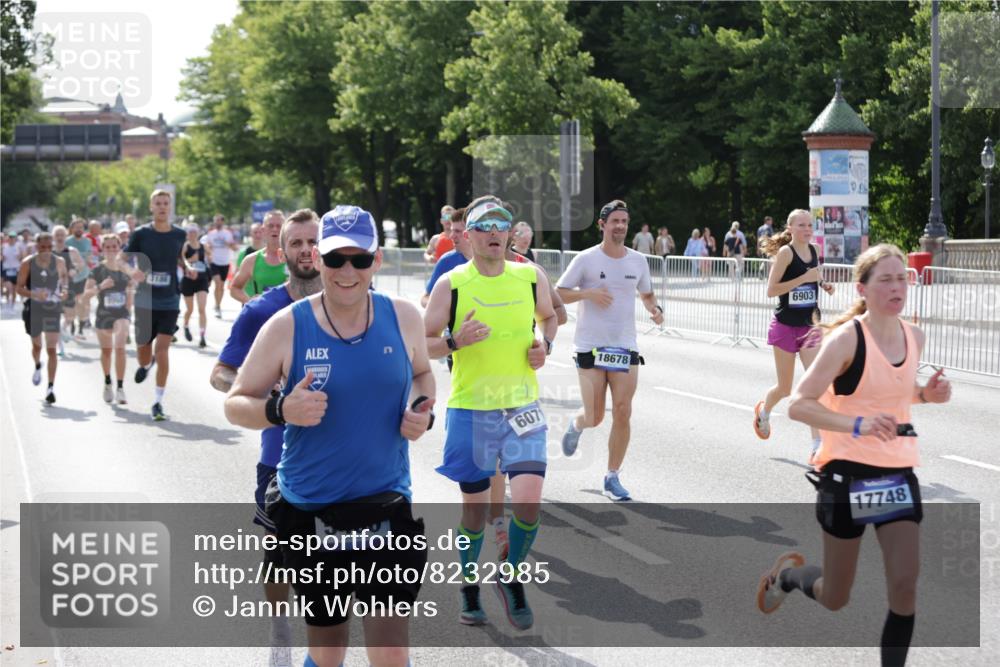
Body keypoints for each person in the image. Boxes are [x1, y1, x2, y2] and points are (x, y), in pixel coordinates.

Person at [224, 204, 434, 667]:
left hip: (386, 504)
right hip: (313, 511)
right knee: (328, 652)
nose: (347, 271)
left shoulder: (403, 317)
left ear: (377, 261)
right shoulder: (286, 325)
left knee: (392, 655)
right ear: (317, 259)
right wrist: (281, 409)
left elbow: (422, 373)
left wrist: (421, 410)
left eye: (360, 259)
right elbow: (235, 402)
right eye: (336, 258)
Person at [757, 244, 952, 667]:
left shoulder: (914, 336)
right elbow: (798, 404)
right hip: (846, 476)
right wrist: (858, 425)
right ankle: (787, 576)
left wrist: (926, 395)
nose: (897, 286)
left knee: (905, 584)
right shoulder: (847, 339)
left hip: (896, 474)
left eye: (902, 278)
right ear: (863, 288)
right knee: (835, 597)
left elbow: (893, 394)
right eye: (886, 279)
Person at [424, 194, 557, 630]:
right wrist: (455, 342)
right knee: (475, 513)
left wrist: (545, 347)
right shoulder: (453, 284)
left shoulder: (529, 276)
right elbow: (421, 344)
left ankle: (510, 575)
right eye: (485, 226)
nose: (495, 232)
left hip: (523, 406)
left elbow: (552, 316)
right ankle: (468, 584)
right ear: (468, 235)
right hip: (472, 409)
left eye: (502, 225)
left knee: (530, 503)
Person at [211, 209, 321, 667]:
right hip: (280, 458)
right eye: (295, 243)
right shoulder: (262, 311)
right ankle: (280, 628)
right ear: (282, 250)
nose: (305, 250)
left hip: (348, 457)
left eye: (313, 241)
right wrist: (268, 392)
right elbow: (222, 376)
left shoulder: (359, 303)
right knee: (279, 552)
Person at [556, 199, 664, 501]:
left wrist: (655, 309)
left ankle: (612, 476)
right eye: (614, 221)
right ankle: (578, 423)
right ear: (602, 225)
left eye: (624, 222)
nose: (620, 226)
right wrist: (589, 293)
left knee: (622, 410)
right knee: (594, 415)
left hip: (625, 345)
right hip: (590, 345)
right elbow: (559, 294)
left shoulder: (638, 261)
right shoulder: (586, 259)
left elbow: (647, 293)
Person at [753, 209, 835, 455]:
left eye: (810, 225)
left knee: (815, 386)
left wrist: (822, 283)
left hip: (810, 326)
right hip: (786, 326)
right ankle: (764, 412)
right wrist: (804, 279)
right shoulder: (785, 253)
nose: (807, 229)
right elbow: (771, 290)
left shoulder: (814, 250)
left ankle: (816, 447)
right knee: (785, 388)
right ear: (790, 228)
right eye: (801, 225)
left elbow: (813, 274)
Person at [126, 189, 190, 421]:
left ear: (170, 207)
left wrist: (188, 268)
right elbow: (123, 260)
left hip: (170, 299)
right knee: (143, 349)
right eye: (158, 203)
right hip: (144, 300)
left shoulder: (179, 234)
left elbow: (178, 258)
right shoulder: (141, 234)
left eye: (166, 203)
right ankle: (145, 364)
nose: (162, 207)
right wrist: (132, 271)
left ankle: (157, 401)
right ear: (151, 207)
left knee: (162, 350)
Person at [15, 232, 67, 404]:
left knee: (51, 349)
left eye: (49, 247)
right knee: (37, 347)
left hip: (52, 308)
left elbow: (64, 282)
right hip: (33, 308)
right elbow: (19, 288)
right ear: (36, 247)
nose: (46, 250)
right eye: (42, 247)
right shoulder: (27, 263)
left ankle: (50, 388)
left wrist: (64, 292)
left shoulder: (59, 262)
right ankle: (38, 365)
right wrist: (35, 294)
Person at [84, 233, 134, 404]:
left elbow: (131, 288)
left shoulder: (125, 268)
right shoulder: (97, 270)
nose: (112, 250)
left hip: (121, 314)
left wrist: (129, 303)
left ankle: (120, 388)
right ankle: (107, 382)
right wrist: (100, 286)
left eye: (115, 246)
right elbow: (85, 295)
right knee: (106, 352)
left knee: (120, 349)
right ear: (102, 249)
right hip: (103, 314)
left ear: (119, 248)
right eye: (108, 247)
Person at [230, 210, 287, 304]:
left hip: (289, 316)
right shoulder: (251, 260)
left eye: (279, 226)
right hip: (261, 317)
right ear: (263, 230)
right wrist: (250, 301)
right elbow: (234, 288)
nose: (275, 229)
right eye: (271, 226)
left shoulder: (293, 258)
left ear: (285, 230)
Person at [420, 213, 471, 308]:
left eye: (457, 231)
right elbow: (425, 298)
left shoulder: (493, 259)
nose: (451, 236)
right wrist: (448, 308)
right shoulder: (446, 261)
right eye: (451, 231)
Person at [180, 223, 211, 347]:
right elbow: (182, 260)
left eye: (195, 232)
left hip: (201, 279)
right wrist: (190, 262)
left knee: (202, 308)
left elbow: (210, 255)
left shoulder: (203, 246)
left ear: (198, 233)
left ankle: (202, 336)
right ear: (187, 234)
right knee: (190, 309)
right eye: (190, 232)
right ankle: (186, 325)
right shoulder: (186, 246)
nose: (193, 234)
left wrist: (209, 259)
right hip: (188, 280)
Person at [203, 214, 238, 318]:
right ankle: (217, 306)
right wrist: (208, 252)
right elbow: (206, 247)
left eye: (219, 220)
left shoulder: (228, 234)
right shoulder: (211, 234)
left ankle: (218, 304)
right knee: (217, 283)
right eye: (216, 220)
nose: (217, 222)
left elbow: (234, 247)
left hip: (225, 262)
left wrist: (229, 244)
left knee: (221, 286)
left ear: (222, 222)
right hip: (214, 262)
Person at [66, 219, 94, 336]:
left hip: (84, 275)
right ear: (72, 229)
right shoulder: (67, 241)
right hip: (70, 276)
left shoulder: (87, 241)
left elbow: (89, 258)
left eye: (81, 227)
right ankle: (72, 324)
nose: (79, 229)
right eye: (76, 227)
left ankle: (81, 328)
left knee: (81, 301)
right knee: (72, 302)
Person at [2, 232, 24, 309]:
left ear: (15, 238)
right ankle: (8, 303)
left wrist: (19, 256)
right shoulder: (4, 247)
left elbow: (21, 257)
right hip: (7, 269)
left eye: (13, 237)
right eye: (10, 237)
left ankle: (12, 305)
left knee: (14, 289)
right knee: (9, 287)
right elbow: (2, 258)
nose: (11, 239)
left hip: (16, 270)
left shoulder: (18, 247)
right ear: (8, 238)